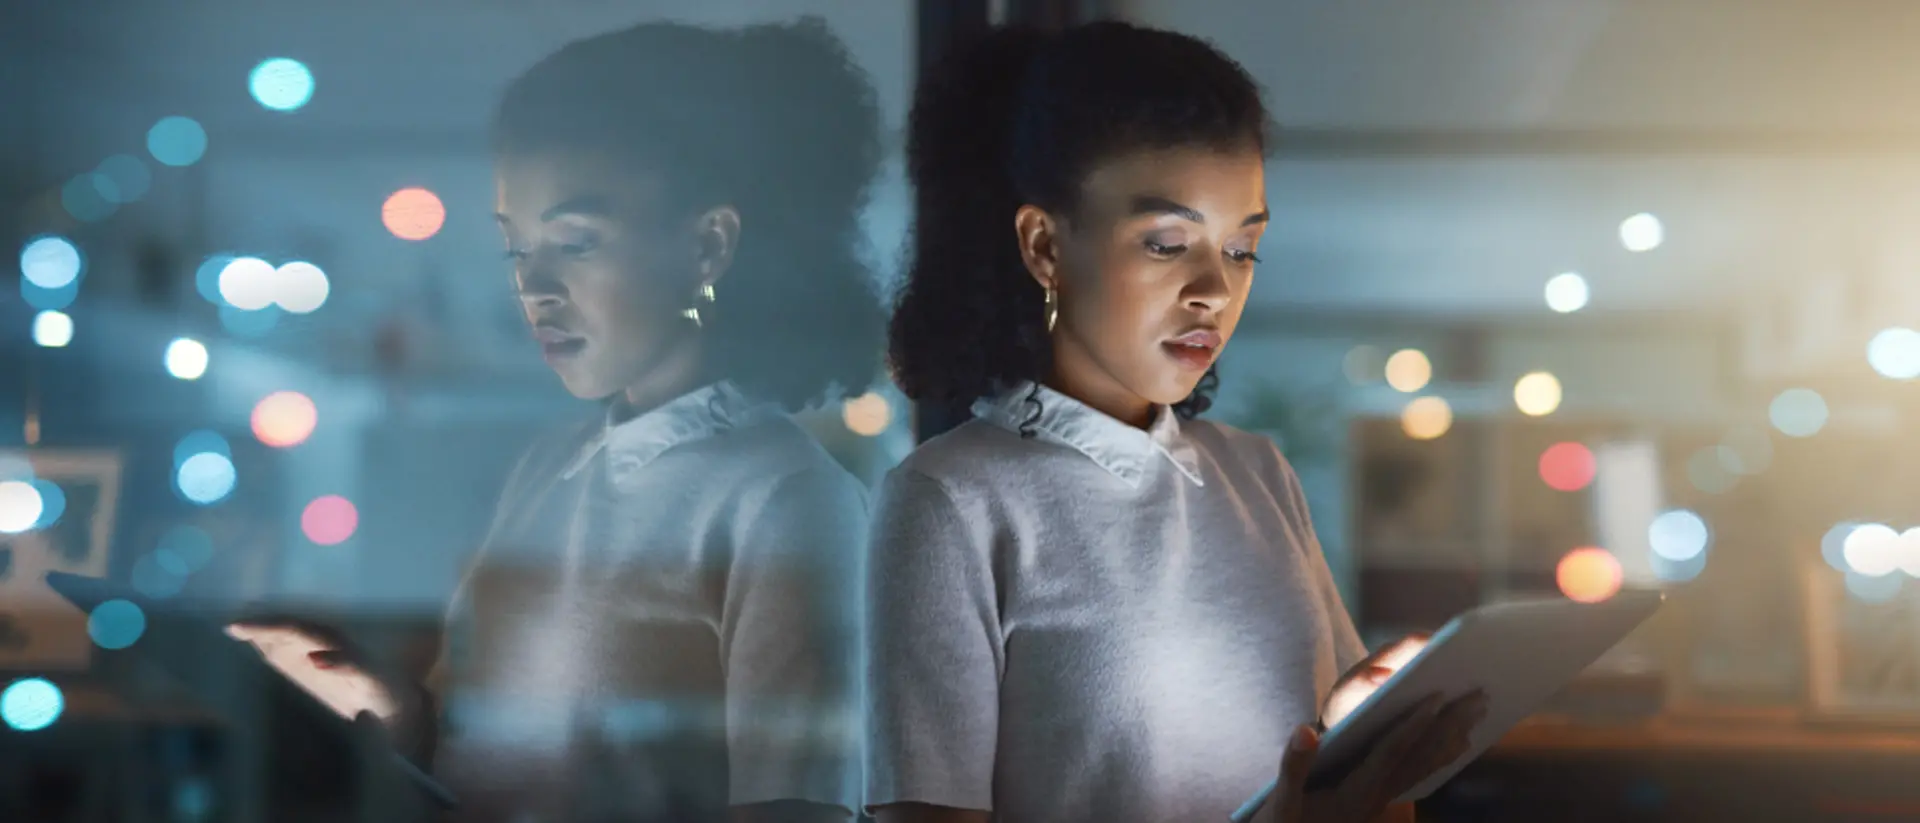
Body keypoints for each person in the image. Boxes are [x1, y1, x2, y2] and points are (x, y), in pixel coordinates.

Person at [230, 18, 883, 823]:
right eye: (515, 249)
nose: (533, 287)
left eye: (575, 242)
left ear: (709, 246)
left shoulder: (788, 501)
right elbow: (463, 736)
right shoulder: (551, 464)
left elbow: (798, 809)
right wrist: (371, 694)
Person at [866, 22, 1484, 823]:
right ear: (1045, 244)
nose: (1214, 291)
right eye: (1167, 243)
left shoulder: (1257, 473)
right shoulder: (950, 501)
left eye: (1241, 249)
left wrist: (1376, 746)